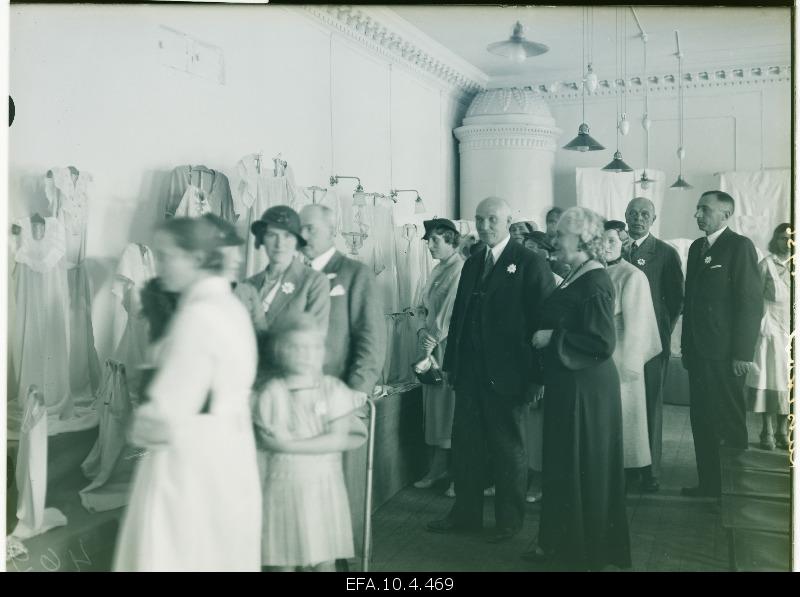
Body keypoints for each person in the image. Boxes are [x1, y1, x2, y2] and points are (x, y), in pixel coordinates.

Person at [113, 217, 261, 571]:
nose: (160, 266)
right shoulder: (232, 307)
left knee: (177, 554)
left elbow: (161, 416)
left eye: (167, 256)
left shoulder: (198, 316)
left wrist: (132, 424)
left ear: (197, 258)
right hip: (230, 452)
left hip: (190, 462)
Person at [426, 197, 555, 543]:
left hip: (509, 376)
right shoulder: (473, 262)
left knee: (507, 448)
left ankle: (508, 523)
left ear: (508, 221)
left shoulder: (529, 262)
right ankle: (465, 516)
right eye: (480, 219)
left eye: (492, 219)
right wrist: (452, 364)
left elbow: (544, 322)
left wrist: (537, 377)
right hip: (469, 374)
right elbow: (459, 319)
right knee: (466, 446)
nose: (485, 226)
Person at [523, 206, 630, 571]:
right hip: (572, 384)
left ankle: (582, 550)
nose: (553, 240)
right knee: (564, 464)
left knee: (580, 466)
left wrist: (553, 337)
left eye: (561, 235)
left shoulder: (595, 281)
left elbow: (602, 342)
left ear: (583, 239)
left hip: (587, 390)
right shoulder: (577, 275)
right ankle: (560, 541)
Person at [298, 203, 385, 569]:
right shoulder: (291, 275)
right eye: (299, 229)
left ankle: (340, 565)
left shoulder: (353, 274)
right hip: (297, 404)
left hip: (336, 401)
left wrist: (354, 392)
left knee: (337, 495)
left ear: (331, 231)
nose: (303, 237)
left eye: (311, 229)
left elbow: (371, 338)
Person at [252, 314, 368, 572]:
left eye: (313, 347)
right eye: (296, 348)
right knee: (282, 559)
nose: (305, 355)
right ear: (281, 352)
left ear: (322, 351)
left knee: (322, 559)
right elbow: (265, 440)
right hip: (281, 486)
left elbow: (336, 439)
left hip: (321, 485)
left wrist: (287, 446)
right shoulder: (272, 392)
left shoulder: (332, 389)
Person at [681, 191, 763, 498]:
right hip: (699, 354)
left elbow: (751, 304)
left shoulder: (739, 247)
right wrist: (687, 347)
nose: (698, 214)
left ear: (726, 214)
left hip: (727, 355)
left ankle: (735, 493)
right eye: (698, 208)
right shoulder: (695, 248)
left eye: (705, 209)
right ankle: (709, 486)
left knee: (728, 422)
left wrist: (743, 353)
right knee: (702, 420)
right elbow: (691, 303)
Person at [623, 197, 684, 492]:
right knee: (624, 404)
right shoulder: (616, 249)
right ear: (625, 216)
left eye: (644, 214)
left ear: (654, 218)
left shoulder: (664, 253)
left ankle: (651, 471)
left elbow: (675, 300)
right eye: (633, 213)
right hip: (620, 342)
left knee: (649, 403)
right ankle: (626, 465)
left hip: (651, 341)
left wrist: (658, 331)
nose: (638, 219)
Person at [603, 220, 662, 480]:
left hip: (621, 355)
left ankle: (623, 474)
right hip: (596, 355)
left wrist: (630, 363)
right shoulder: (591, 271)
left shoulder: (631, 275)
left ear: (623, 244)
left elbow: (638, 326)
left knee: (623, 416)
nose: (605, 247)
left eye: (612, 242)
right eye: (600, 241)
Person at [412, 218, 464, 497]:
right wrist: (421, 330)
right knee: (434, 408)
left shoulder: (460, 268)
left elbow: (450, 312)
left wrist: (432, 340)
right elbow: (422, 306)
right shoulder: (437, 270)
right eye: (428, 240)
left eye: (435, 240)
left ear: (451, 240)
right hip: (430, 346)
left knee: (451, 409)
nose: (430, 245)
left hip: (447, 348)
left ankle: (458, 472)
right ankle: (437, 467)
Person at [235, 205, 330, 334]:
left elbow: (314, 340)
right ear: (262, 239)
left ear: (297, 241)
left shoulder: (314, 282)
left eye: (287, 236)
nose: (280, 244)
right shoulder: (248, 285)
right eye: (272, 235)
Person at [746, 223, 791, 450]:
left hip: (792, 331)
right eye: (783, 238)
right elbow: (753, 298)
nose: (788, 242)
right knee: (769, 378)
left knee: (789, 382)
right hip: (770, 330)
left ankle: (784, 431)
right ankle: (767, 430)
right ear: (776, 240)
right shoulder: (766, 265)